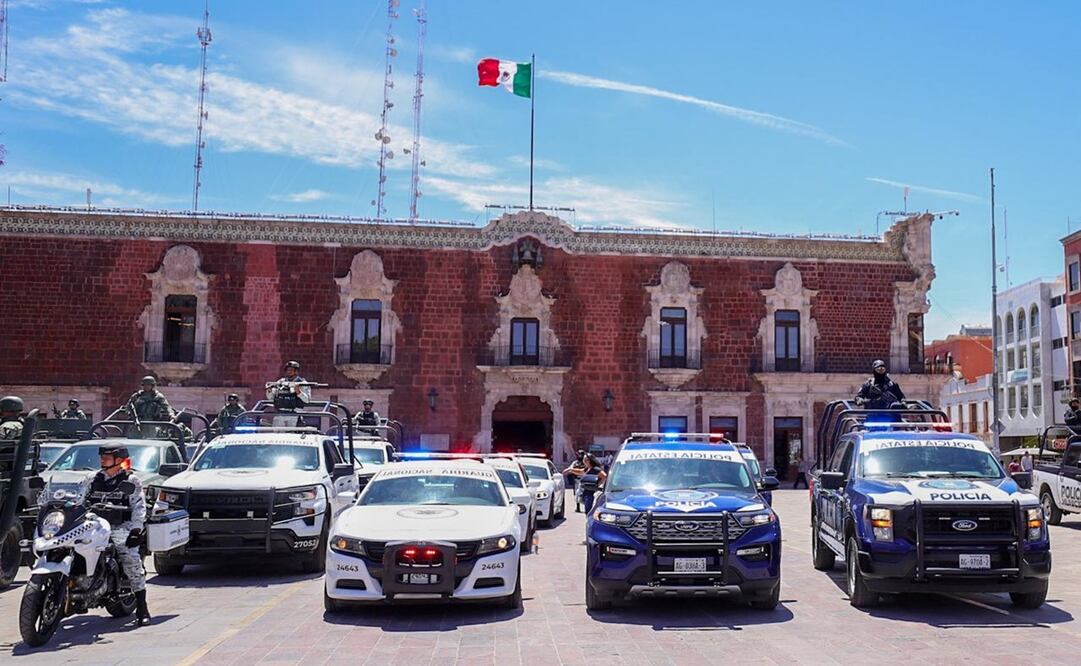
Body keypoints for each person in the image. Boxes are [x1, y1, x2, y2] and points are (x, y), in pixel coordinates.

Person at [81, 445, 150, 625]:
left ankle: (142, 607)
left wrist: (136, 530)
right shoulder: (92, 478)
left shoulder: (131, 480)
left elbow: (138, 506)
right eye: (102, 457)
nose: (102, 460)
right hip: (94, 524)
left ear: (119, 460)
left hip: (120, 525)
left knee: (130, 558)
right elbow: (79, 501)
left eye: (107, 457)